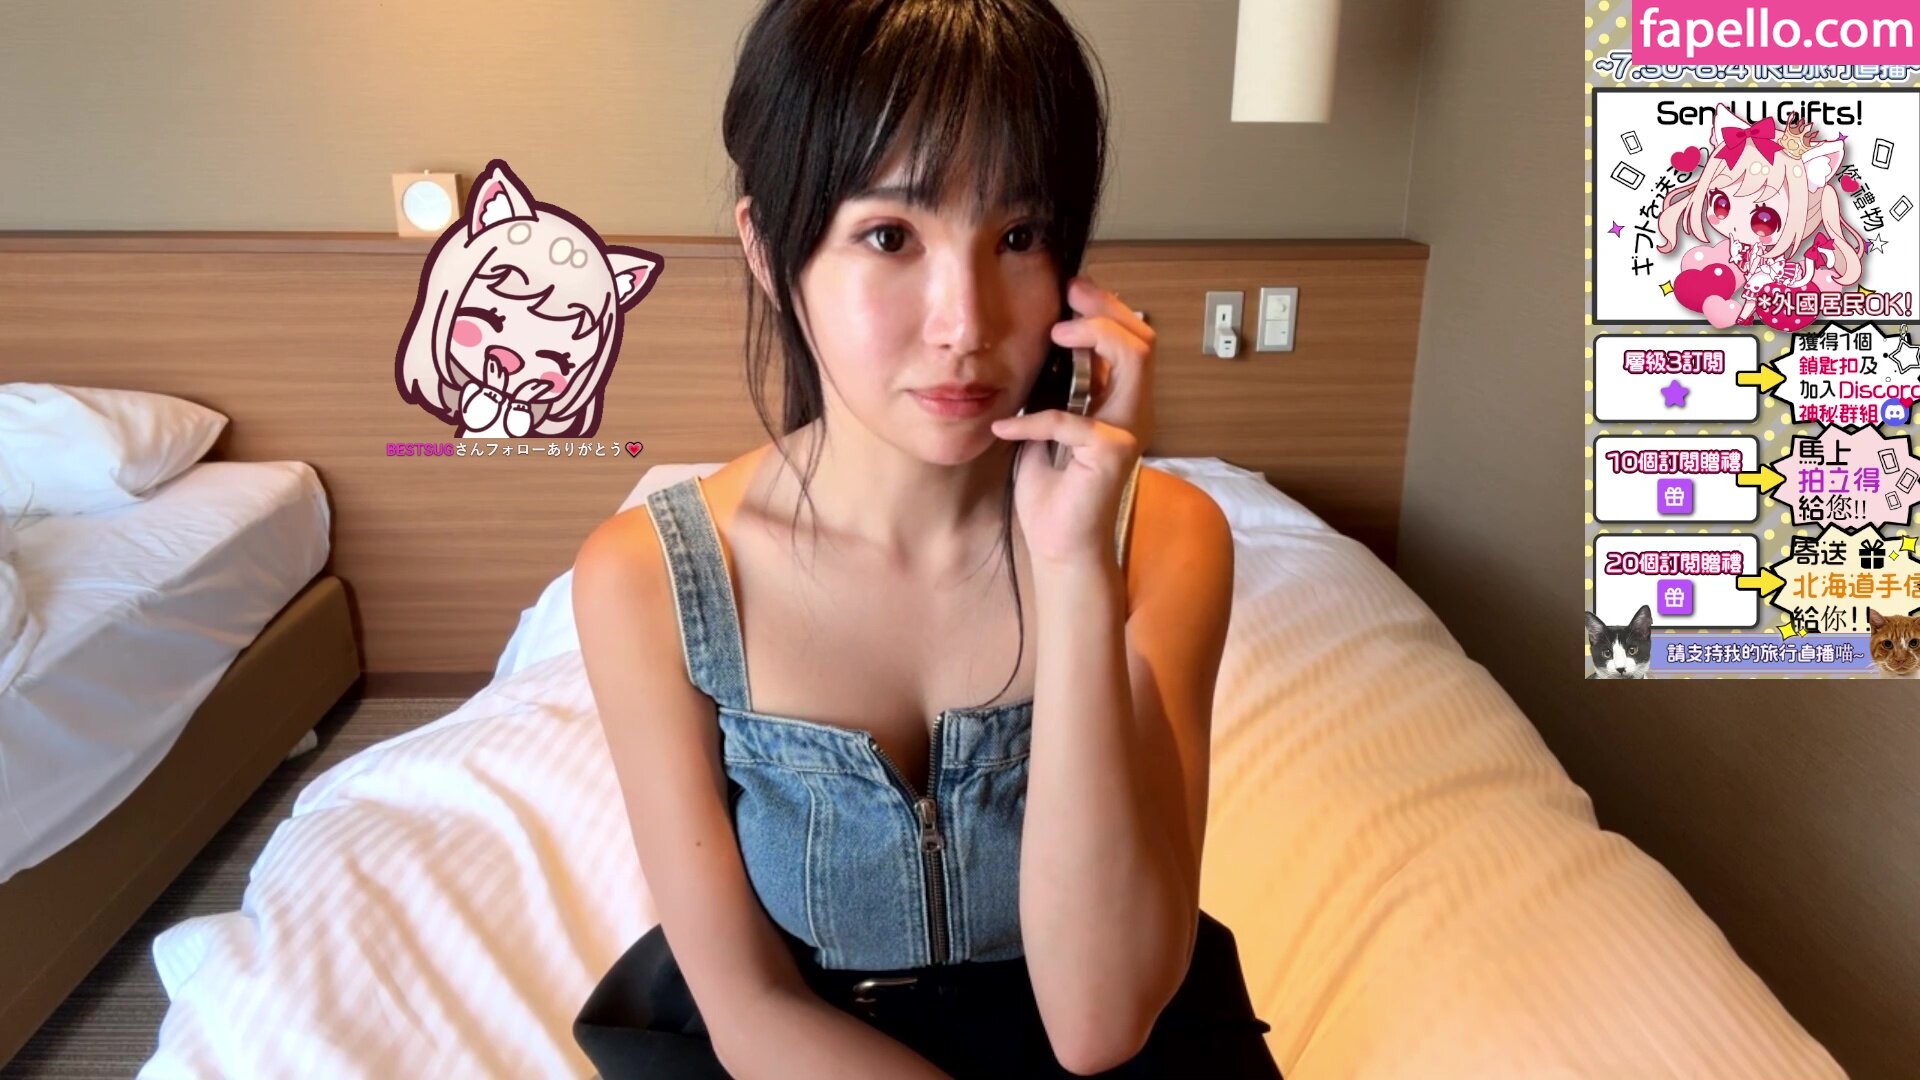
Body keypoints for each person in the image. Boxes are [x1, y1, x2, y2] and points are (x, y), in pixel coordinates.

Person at [571, 1, 1281, 1076]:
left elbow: (1100, 1025)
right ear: (768, 248)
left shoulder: (1169, 541)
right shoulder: (649, 580)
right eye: (890, 236)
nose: (967, 323)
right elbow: (749, 1011)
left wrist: (1077, 568)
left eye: (1019, 237)